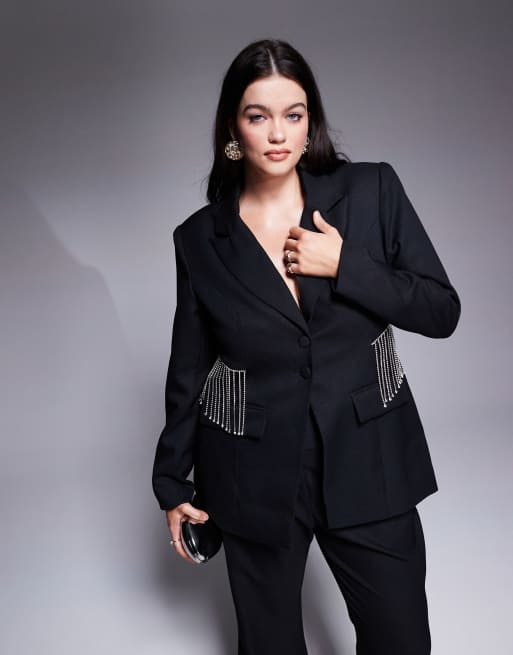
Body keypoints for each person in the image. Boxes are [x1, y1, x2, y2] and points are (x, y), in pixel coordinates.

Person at [152, 38, 461, 655]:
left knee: (401, 640)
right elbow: (190, 366)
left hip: (369, 455)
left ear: (310, 120)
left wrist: (347, 265)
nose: (278, 133)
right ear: (233, 128)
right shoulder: (200, 239)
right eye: (258, 115)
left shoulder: (371, 191)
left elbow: (440, 310)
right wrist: (171, 483)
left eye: (293, 114)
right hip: (252, 470)